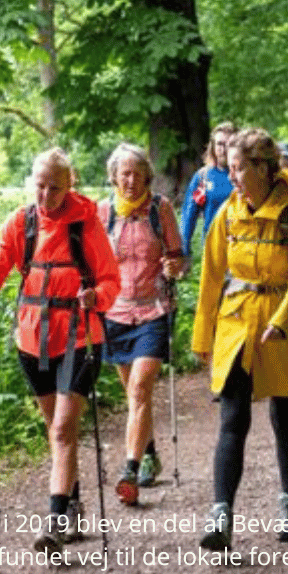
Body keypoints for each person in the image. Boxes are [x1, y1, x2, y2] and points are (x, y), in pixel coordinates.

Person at [0, 148, 120, 552]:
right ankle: (73, 505)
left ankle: (53, 523)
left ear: (70, 185)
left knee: (63, 429)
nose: (46, 194)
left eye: (55, 187)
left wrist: (96, 296)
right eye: (40, 185)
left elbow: (111, 280)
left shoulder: (86, 224)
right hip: (33, 340)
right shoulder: (20, 223)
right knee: (56, 430)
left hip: (81, 338)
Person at [190, 128, 288, 550]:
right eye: (229, 168)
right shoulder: (228, 213)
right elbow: (211, 276)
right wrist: (202, 336)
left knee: (284, 416)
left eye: (238, 168)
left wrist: (282, 319)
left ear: (264, 169)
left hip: (281, 323)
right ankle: (221, 518)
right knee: (233, 419)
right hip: (236, 323)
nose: (231, 176)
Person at [96, 143, 184, 506]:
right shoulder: (103, 213)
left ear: (147, 176)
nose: (131, 181)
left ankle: (129, 471)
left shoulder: (160, 210)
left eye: (136, 174)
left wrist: (174, 266)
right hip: (115, 314)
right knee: (133, 394)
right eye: (124, 174)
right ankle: (149, 453)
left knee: (139, 389)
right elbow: (93, 262)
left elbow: (179, 257)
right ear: (114, 177)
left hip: (154, 311)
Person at [179, 121, 237, 258]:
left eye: (229, 144)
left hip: (242, 245)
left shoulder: (246, 175)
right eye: (219, 144)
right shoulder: (203, 176)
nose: (223, 149)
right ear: (213, 146)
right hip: (213, 245)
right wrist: (183, 251)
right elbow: (188, 216)